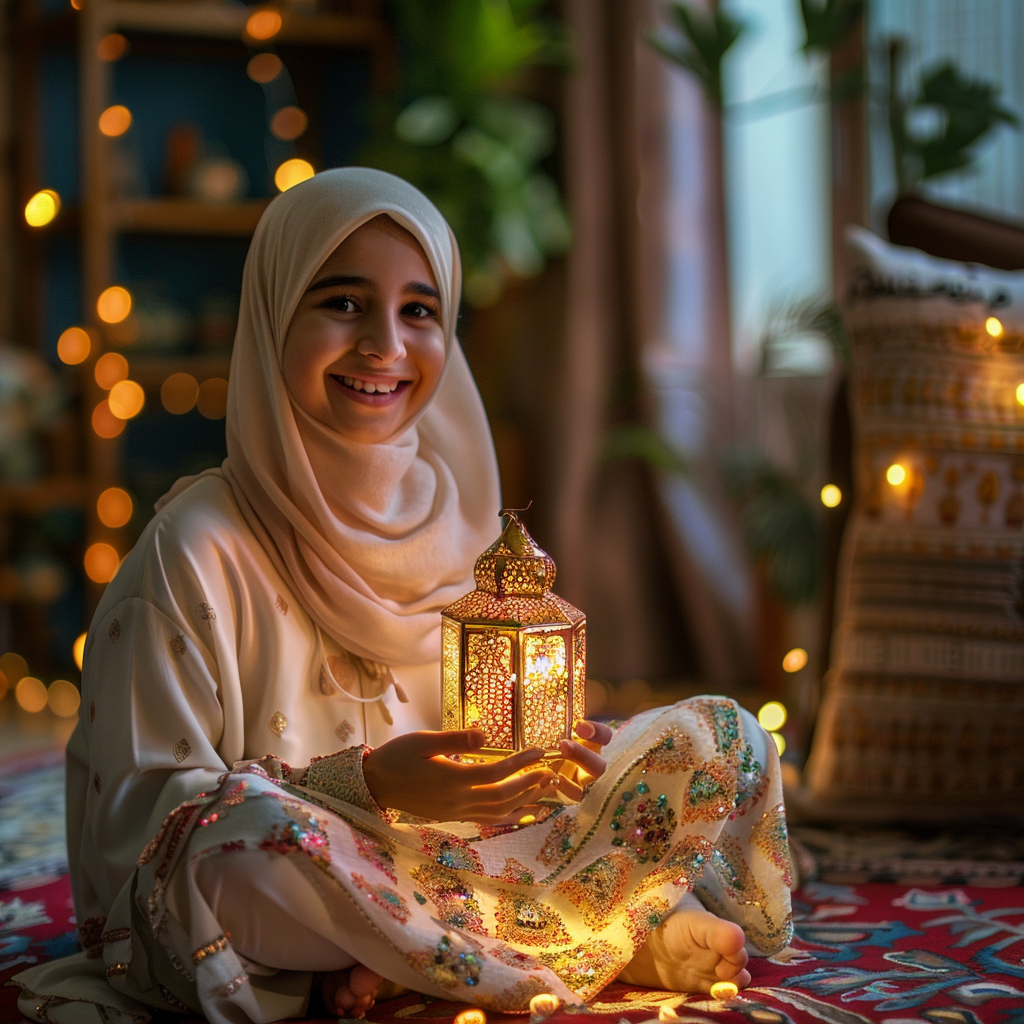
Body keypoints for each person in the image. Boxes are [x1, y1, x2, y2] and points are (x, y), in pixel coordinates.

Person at [15, 169, 793, 1024]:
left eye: (419, 311)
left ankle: (422, 950)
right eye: (343, 303)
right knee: (235, 860)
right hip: (308, 865)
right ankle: (586, 928)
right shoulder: (195, 550)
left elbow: (499, 764)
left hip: (461, 859)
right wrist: (371, 788)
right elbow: (146, 828)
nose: (385, 344)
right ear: (274, 315)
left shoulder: (459, 517)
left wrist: (544, 766)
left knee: (726, 736)